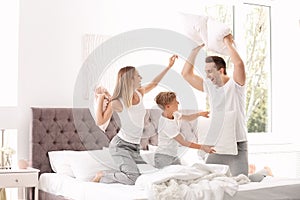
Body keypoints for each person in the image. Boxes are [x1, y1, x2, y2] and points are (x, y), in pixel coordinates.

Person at [92, 55, 178, 185]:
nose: (141, 78)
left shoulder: (139, 93)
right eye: (138, 76)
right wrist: (100, 99)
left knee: (148, 176)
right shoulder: (118, 101)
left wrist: (169, 66)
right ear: (130, 80)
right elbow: (100, 121)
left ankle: (120, 171)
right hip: (120, 146)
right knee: (134, 179)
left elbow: (154, 83)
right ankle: (102, 175)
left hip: (135, 147)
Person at [181, 34, 249, 177]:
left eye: (210, 71)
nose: (207, 76)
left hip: (237, 144)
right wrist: (194, 51)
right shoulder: (209, 87)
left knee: (241, 181)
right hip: (217, 144)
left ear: (221, 70)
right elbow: (186, 74)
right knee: (209, 179)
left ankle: (265, 172)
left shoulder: (235, 85)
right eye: (206, 72)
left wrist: (228, 43)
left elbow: (239, 65)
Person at [154, 91, 215, 169]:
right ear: (168, 106)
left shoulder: (174, 114)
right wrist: (202, 147)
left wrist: (199, 114)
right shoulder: (166, 124)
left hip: (173, 156)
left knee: (184, 175)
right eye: (175, 102)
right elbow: (183, 142)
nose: (178, 103)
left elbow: (188, 118)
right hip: (163, 158)